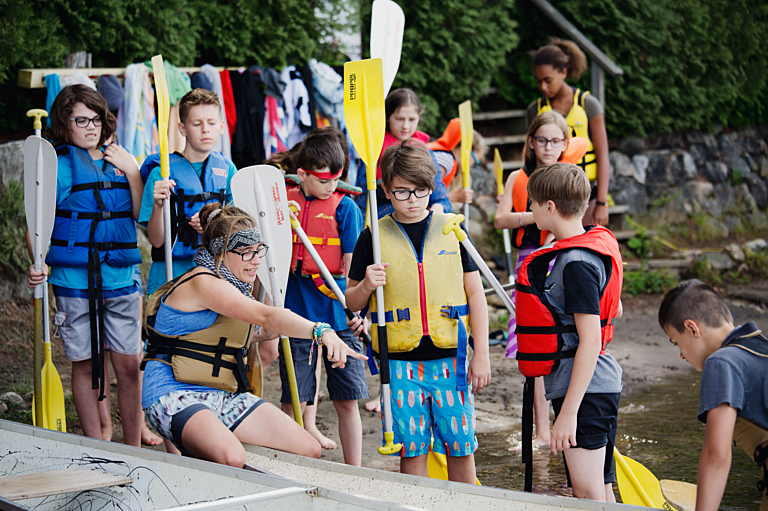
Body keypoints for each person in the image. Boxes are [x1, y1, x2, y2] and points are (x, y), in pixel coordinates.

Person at [141, 202, 367, 466]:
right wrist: (322, 331)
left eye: (259, 250)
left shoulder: (234, 283)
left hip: (221, 393)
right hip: (171, 392)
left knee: (308, 449)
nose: (257, 260)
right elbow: (266, 316)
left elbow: (265, 329)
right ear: (220, 252)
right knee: (231, 457)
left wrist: (273, 289)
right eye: (246, 253)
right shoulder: (204, 282)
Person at [346, 140, 490, 483]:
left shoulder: (453, 230)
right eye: (402, 192)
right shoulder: (372, 237)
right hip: (399, 366)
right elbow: (352, 302)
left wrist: (482, 354)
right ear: (386, 190)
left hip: (452, 360)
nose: (412, 200)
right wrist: (366, 284)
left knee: (460, 447)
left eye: (420, 191)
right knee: (411, 450)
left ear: (431, 187)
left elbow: (476, 295)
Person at [26, 84, 144, 446]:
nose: (91, 127)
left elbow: (140, 214)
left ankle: (134, 447)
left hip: (121, 278)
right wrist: (37, 262)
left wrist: (133, 171)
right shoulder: (58, 167)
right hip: (74, 282)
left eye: (96, 119)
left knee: (129, 366)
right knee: (87, 364)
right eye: (81, 120)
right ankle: (95, 445)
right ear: (65, 123)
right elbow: (36, 224)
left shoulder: (120, 161)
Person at [514, 162, 623, 501]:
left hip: (586, 392)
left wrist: (568, 413)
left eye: (532, 203)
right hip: (599, 386)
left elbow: (590, 339)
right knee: (601, 491)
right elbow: (615, 308)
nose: (530, 210)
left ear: (549, 207)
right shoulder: (591, 248)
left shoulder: (575, 262)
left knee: (587, 494)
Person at [355, 88, 452, 413]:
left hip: (424, 239)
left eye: (412, 119)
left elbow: (439, 195)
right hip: (388, 236)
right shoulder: (374, 152)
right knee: (386, 311)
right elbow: (364, 198)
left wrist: (440, 211)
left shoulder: (424, 152)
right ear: (388, 119)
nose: (406, 125)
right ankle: (385, 387)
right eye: (400, 119)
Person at [280, 128, 369, 465]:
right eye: (323, 180)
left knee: (347, 398)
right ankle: (292, 464)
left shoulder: (346, 209)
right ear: (302, 174)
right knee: (294, 397)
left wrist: (362, 313)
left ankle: (354, 470)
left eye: (336, 179)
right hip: (297, 313)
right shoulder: (284, 204)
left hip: (338, 314)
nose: (331, 186)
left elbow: (354, 271)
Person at [494, 111, 570, 450]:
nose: (548, 147)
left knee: (563, 342)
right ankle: (541, 432)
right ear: (531, 142)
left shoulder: (570, 178)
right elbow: (500, 220)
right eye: (542, 140)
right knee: (534, 345)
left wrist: (550, 231)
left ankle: (566, 423)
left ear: (565, 143)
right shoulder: (518, 177)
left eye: (555, 141)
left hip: (561, 258)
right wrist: (536, 216)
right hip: (529, 260)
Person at [659, 280, 768, 511]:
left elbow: (716, 456)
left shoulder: (722, 362)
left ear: (692, 328)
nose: (681, 355)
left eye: (676, 342)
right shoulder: (762, 347)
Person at [139, 88, 238, 296]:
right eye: (197, 124)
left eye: (211, 123)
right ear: (182, 129)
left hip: (215, 274)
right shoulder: (161, 174)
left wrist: (214, 223)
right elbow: (156, 240)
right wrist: (158, 205)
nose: (205, 130)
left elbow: (237, 226)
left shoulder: (228, 170)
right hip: (171, 276)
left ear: (221, 126)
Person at [527, 38, 610, 227]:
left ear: (563, 72)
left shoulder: (588, 105)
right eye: (538, 81)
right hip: (549, 195)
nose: (543, 87)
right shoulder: (535, 110)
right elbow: (529, 157)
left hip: (587, 194)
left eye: (548, 80)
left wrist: (602, 203)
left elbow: (603, 155)